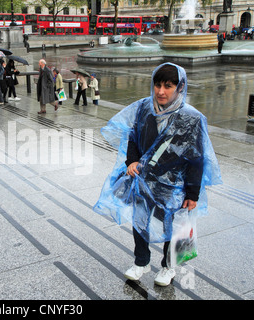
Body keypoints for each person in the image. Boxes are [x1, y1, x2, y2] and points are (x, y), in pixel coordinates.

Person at [93, 63, 222, 286]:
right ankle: (141, 262)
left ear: (180, 87)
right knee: (140, 221)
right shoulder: (144, 108)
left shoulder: (192, 118)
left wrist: (193, 193)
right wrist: (131, 161)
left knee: (173, 226)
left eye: (168, 86)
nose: (161, 91)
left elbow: (196, 158)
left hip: (174, 184)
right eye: (157, 85)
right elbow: (132, 137)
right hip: (145, 180)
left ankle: (168, 266)